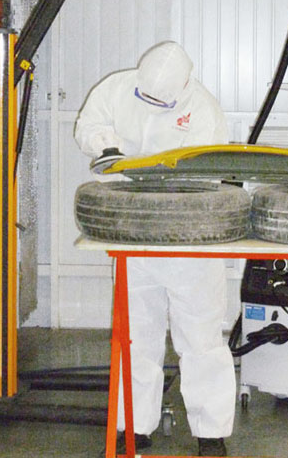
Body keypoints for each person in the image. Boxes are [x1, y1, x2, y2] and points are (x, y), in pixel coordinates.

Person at [74, 41, 236, 457]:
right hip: (134, 236)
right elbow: (87, 125)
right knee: (135, 338)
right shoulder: (116, 88)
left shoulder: (204, 111)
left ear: (185, 85)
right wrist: (105, 144)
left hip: (189, 243)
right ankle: (132, 426)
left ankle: (211, 432)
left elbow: (209, 175)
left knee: (200, 340)